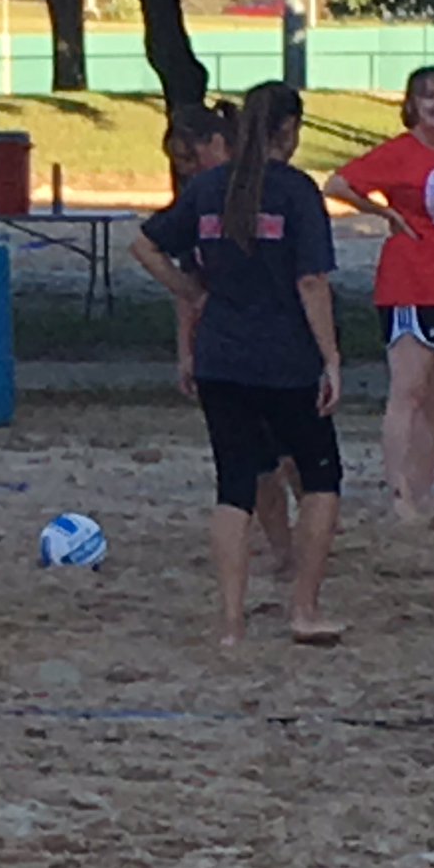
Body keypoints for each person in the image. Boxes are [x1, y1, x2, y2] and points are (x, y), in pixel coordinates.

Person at [132, 82, 344, 648]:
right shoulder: (295, 191)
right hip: (285, 358)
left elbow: (145, 245)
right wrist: (332, 358)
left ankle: (230, 624)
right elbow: (311, 281)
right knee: (321, 479)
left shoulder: (207, 189)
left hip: (221, 356)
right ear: (289, 130)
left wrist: (194, 294)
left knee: (234, 487)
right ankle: (303, 608)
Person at [164, 101, 297, 576]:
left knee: (296, 455)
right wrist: (186, 350)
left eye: (193, 159)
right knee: (257, 461)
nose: (191, 171)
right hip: (228, 349)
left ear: (219, 144)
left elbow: (309, 275)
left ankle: (314, 539)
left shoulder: (270, 189)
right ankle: (285, 550)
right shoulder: (200, 199)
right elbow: (186, 281)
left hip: (282, 342)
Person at [324, 65, 434, 522]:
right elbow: (338, 183)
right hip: (411, 283)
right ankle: (399, 493)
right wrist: (383, 213)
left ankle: (423, 489)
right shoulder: (399, 154)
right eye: (429, 97)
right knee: (409, 389)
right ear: (412, 106)